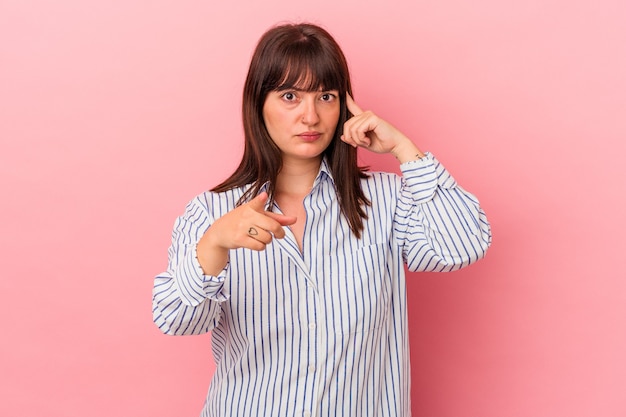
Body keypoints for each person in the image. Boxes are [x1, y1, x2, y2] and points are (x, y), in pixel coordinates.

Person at [153, 22, 491, 417]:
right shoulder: (211, 213)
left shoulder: (386, 200)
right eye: (290, 96)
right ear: (258, 104)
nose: (310, 116)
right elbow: (176, 320)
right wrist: (213, 246)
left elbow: (464, 245)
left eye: (325, 96)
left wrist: (404, 149)